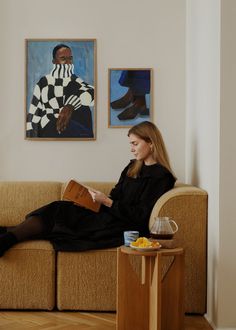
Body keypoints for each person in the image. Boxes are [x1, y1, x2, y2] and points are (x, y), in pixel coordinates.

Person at [0, 121, 176, 256]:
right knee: (60, 207)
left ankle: (8, 236)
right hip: (109, 215)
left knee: (59, 214)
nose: (131, 149)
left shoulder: (162, 177)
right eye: (130, 144)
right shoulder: (132, 167)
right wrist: (93, 199)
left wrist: (106, 202)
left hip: (122, 226)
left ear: (151, 143)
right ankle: (8, 236)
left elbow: (141, 216)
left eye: (135, 144)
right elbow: (116, 195)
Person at [26, 44, 94, 138]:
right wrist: (30, 137)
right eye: (63, 58)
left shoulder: (75, 81)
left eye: (70, 58)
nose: (68, 62)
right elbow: (34, 112)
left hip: (70, 127)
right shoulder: (44, 82)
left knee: (84, 108)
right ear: (54, 61)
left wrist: (70, 105)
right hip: (48, 126)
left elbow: (92, 91)